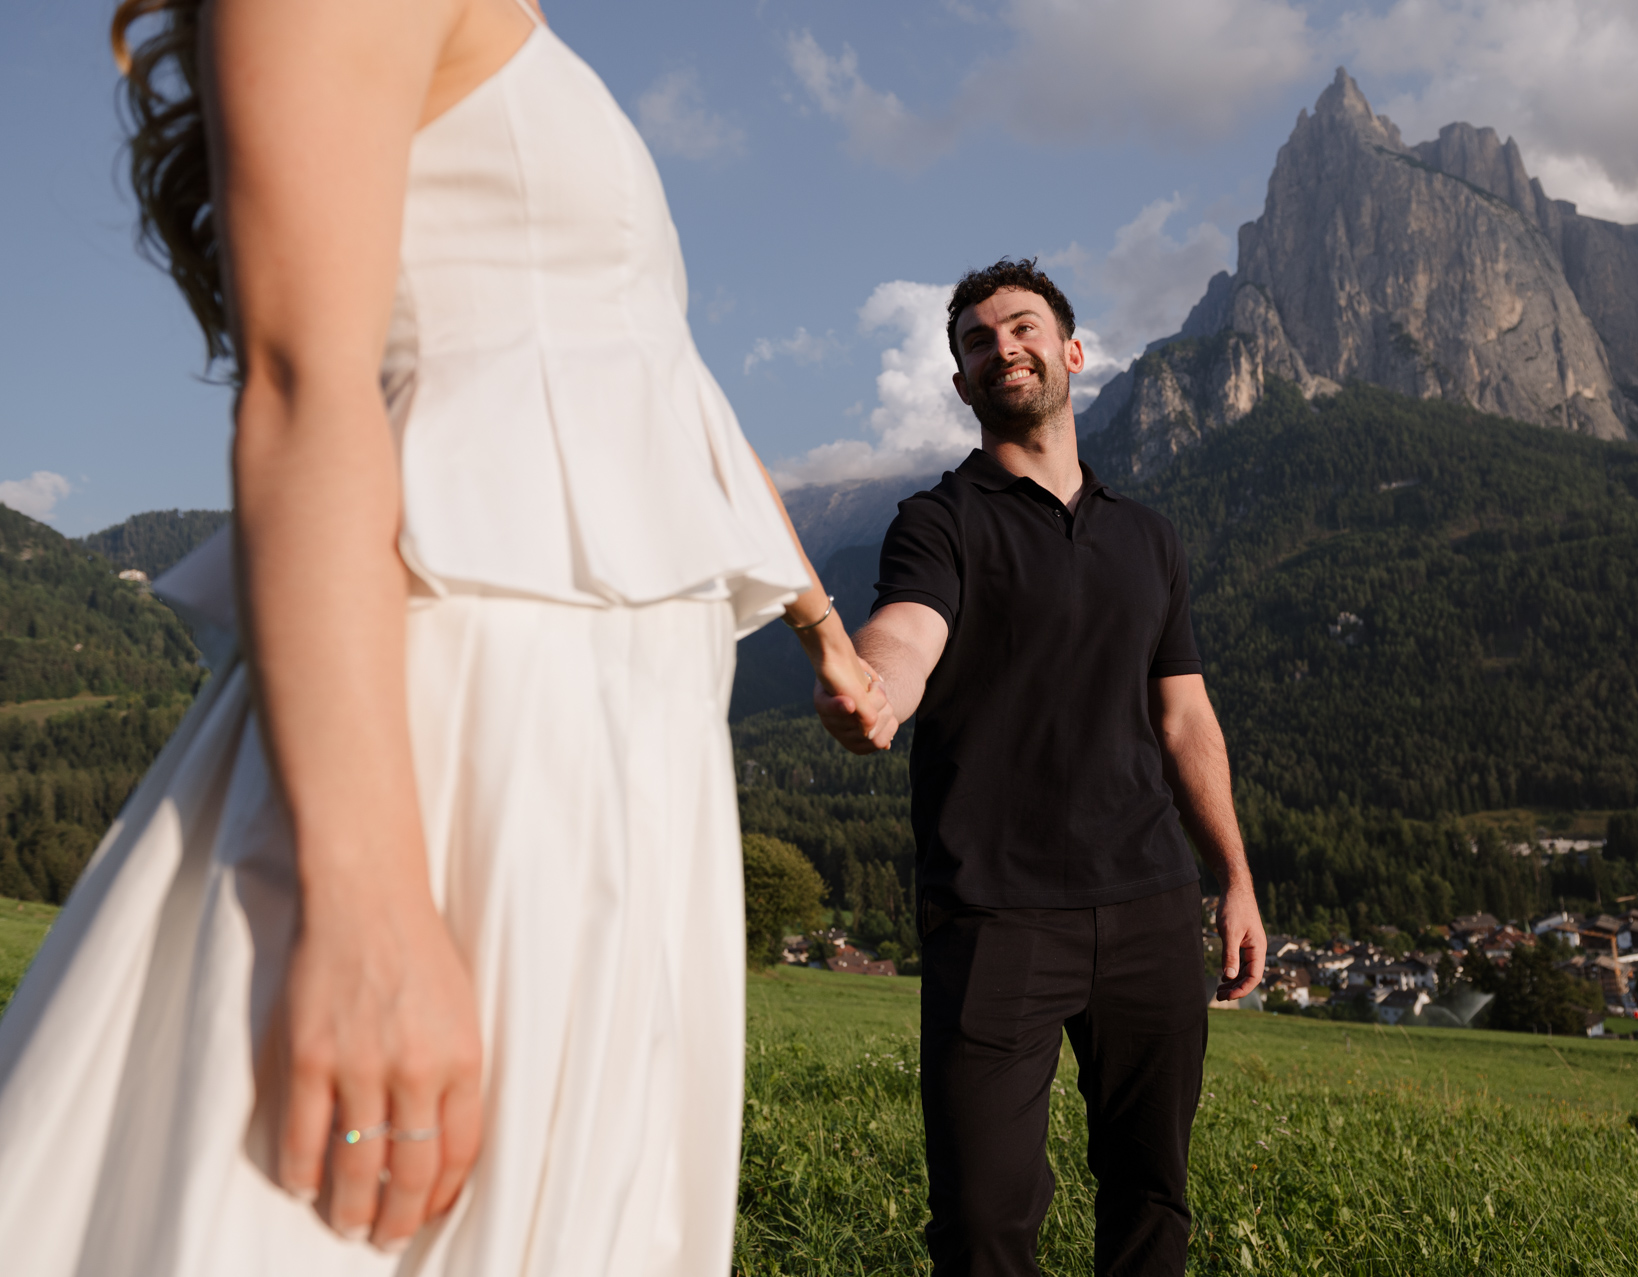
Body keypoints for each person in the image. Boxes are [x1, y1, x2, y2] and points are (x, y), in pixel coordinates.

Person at [0, 1, 886, 1273]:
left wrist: (820, 627)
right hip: (476, 730)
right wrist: (367, 910)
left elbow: (666, 382)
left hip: (626, 743)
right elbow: (304, 384)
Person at [817, 258, 1265, 1276]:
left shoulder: (1148, 537)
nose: (999, 345)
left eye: (1020, 326)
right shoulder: (938, 522)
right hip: (994, 911)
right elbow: (906, 633)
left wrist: (1234, 875)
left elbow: (1185, 715)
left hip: (1151, 902)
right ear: (963, 385)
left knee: (1152, 1194)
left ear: (1071, 352)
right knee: (982, 1221)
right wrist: (877, 685)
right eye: (976, 341)